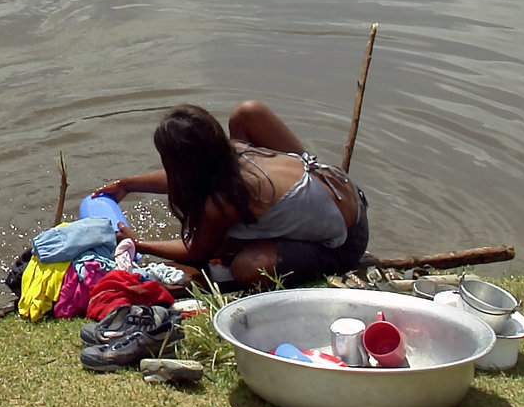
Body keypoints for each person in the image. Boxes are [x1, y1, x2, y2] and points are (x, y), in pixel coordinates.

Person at [89, 100, 367, 287]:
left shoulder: (222, 201)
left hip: (345, 243)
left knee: (245, 267)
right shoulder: (234, 150)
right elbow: (185, 178)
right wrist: (127, 184)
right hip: (347, 195)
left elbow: (195, 250)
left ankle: (280, 245)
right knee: (247, 111)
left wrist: (140, 244)